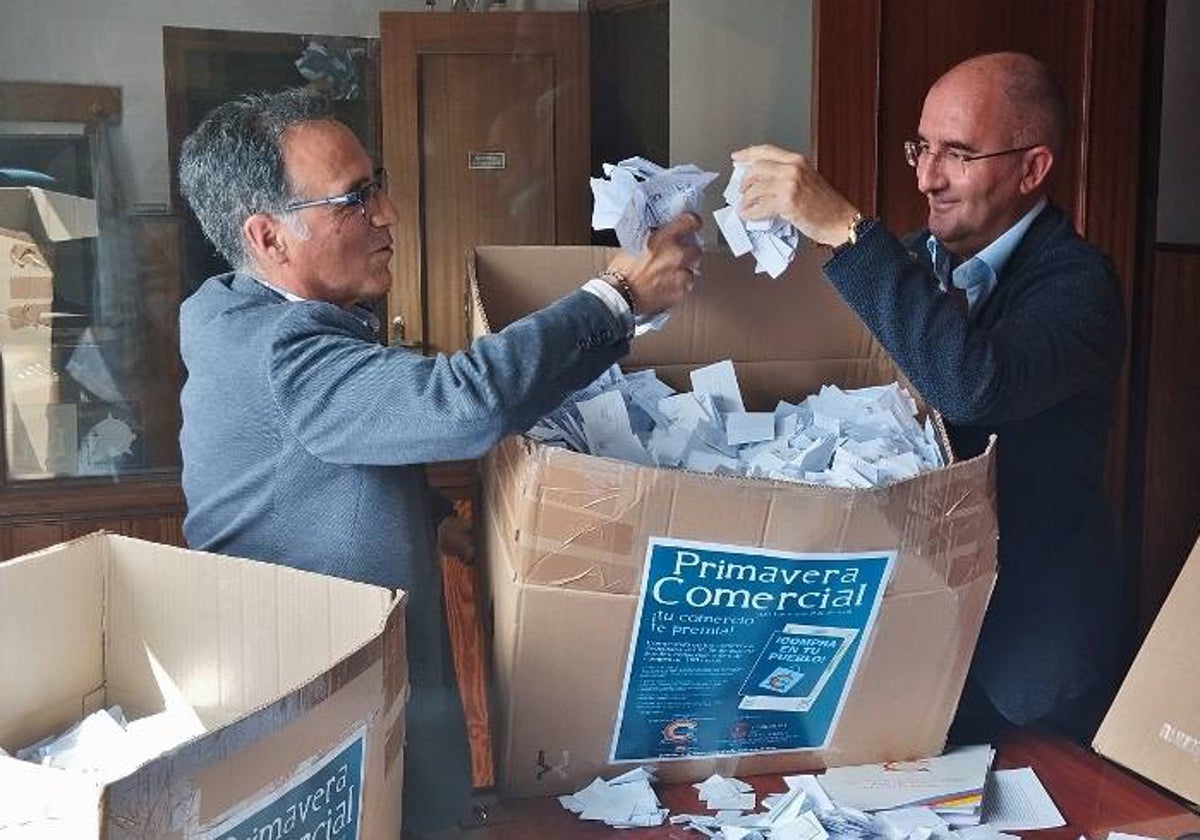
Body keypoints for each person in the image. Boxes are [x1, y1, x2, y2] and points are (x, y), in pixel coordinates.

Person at [176, 87, 701, 836]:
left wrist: (437, 523)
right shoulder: (281, 352)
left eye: (378, 183)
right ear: (268, 237)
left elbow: (327, 449)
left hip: (328, 689)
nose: (387, 213)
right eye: (354, 200)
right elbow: (466, 403)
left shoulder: (236, 312)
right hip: (312, 713)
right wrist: (615, 298)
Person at [732, 52, 1126, 743]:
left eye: (958, 153)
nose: (926, 176)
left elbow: (972, 384)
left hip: (1023, 662)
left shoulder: (1081, 287)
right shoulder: (909, 263)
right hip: (901, 636)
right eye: (922, 147)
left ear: (1032, 169)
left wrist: (849, 232)